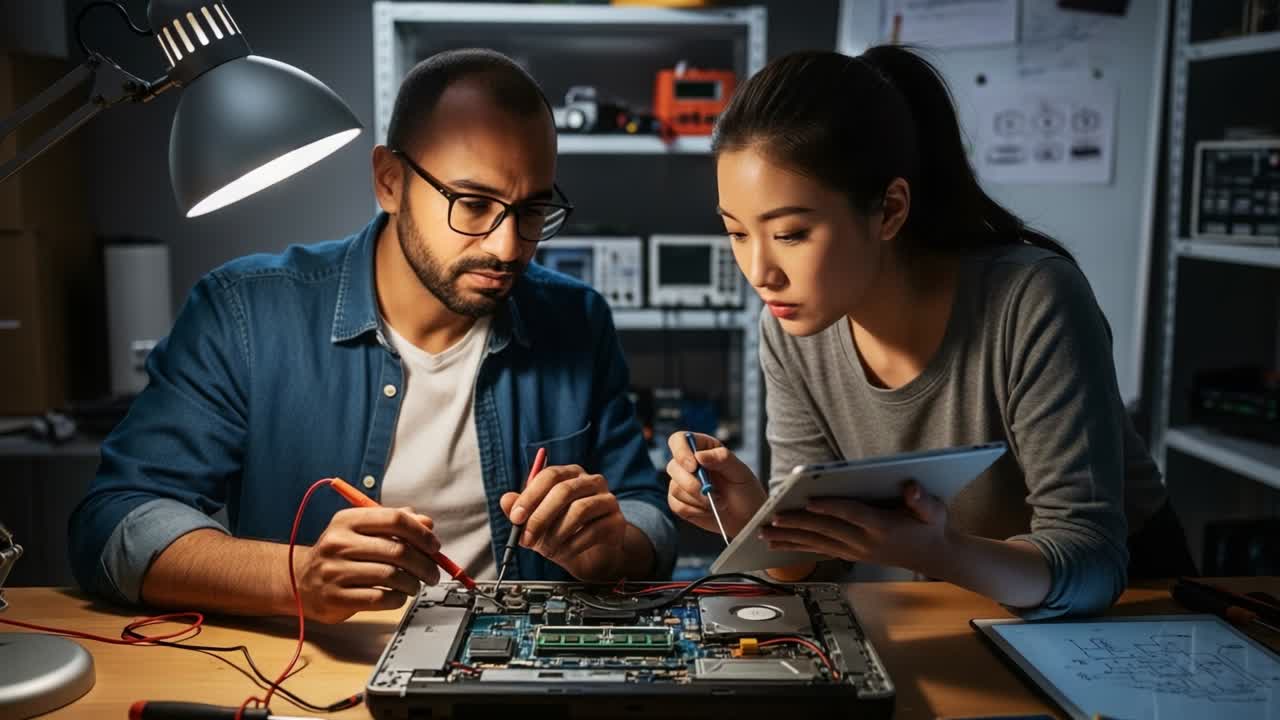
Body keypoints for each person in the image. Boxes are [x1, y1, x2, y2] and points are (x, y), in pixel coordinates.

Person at [69, 49, 675, 623]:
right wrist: (296, 576)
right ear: (389, 181)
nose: (508, 245)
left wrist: (612, 549)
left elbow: (648, 515)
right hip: (312, 673)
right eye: (473, 203)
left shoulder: (576, 319)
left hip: (517, 665)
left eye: (534, 211)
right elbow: (115, 522)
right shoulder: (244, 313)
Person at [666, 46, 1193, 619]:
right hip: (966, 607)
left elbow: (1093, 564)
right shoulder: (789, 327)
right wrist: (758, 524)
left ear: (890, 209)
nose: (759, 272)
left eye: (790, 233)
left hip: (1140, 614)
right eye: (737, 233)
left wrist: (943, 553)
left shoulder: (1033, 300)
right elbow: (819, 564)